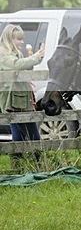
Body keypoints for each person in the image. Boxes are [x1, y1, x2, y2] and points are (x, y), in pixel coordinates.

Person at [0, 24, 45, 169]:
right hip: (13, 99)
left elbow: (24, 66)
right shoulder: (3, 54)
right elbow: (16, 66)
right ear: (9, 39)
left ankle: (20, 165)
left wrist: (36, 58)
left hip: (21, 98)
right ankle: (35, 163)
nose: (22, 42)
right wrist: (33, 58)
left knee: (21, 132)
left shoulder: (14, 53)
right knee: (27, 132)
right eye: (18, 39)